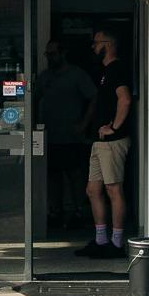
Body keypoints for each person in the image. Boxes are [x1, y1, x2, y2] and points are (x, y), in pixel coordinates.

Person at [77, 29, 133, 259]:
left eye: (96, 43)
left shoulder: (117, 69)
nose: (93, 47)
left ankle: (117, 243)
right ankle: (101, 240)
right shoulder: (104, 71)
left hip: (113, 141)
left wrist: (115, 128)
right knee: (93, 190)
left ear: (108, 44)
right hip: (99, 142)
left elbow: (125, 99)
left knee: (113, 189)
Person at [35, 39, 95, 224]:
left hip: (71, 135)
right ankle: (55, 211)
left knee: (74, 174)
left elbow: (94, 97)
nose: (49, 58)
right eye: (47, 54)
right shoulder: (45, 77)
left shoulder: (76, 75)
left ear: (63, 53)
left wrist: (84, 123)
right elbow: (34, 99)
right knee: (53, 175)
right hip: (49, 135)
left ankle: (78, 211)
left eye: (52, 54)